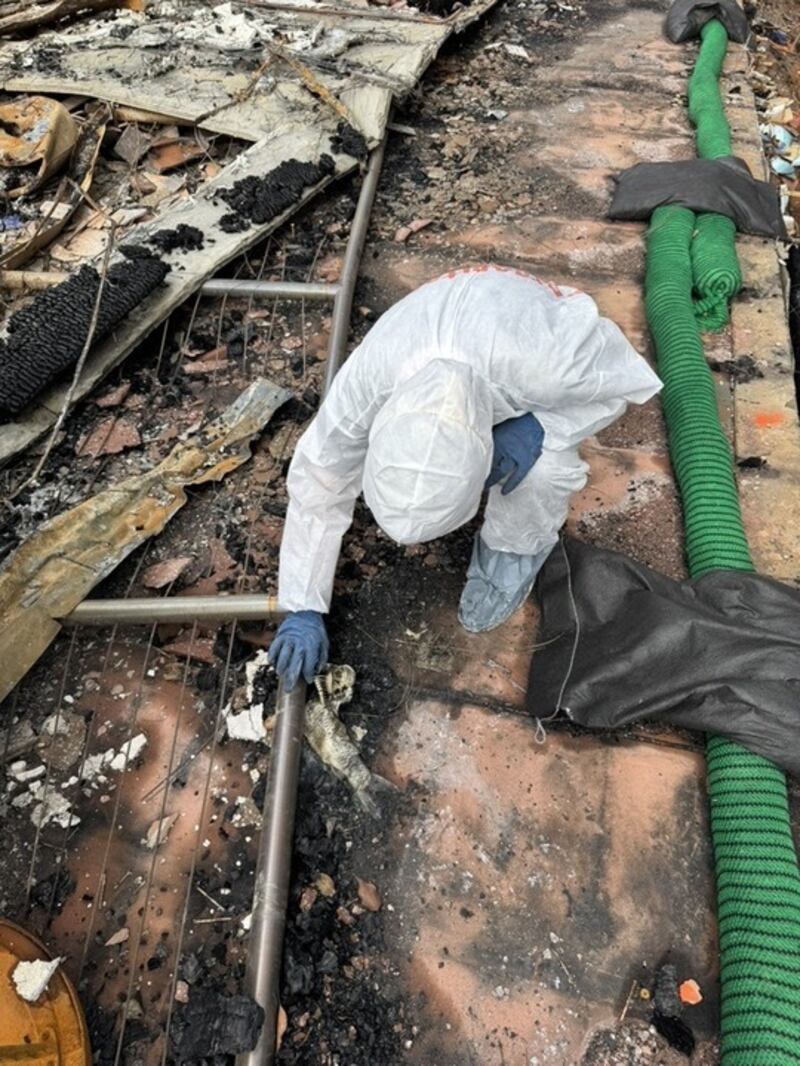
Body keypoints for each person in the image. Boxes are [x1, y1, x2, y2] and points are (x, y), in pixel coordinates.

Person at [269, 265, 662, 690]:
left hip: (517, 314)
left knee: (545, 469)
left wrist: (542, 427)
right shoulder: (367, 384)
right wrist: (303, 603)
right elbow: (320, 478)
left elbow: (622, 383)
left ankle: (513, 551)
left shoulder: (552, 364)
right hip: (431, 317)